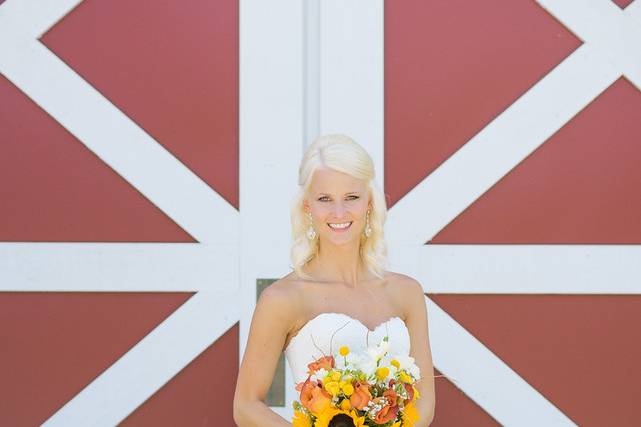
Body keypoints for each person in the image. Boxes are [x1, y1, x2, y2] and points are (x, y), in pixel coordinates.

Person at [233, 134, 436, 426]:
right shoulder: (283, 299)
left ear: (369, 201)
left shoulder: (406, 293)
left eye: (351, 197)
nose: (339, 213)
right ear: (307, 206)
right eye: (324, 199)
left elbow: (425, 399)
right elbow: (246, 405)